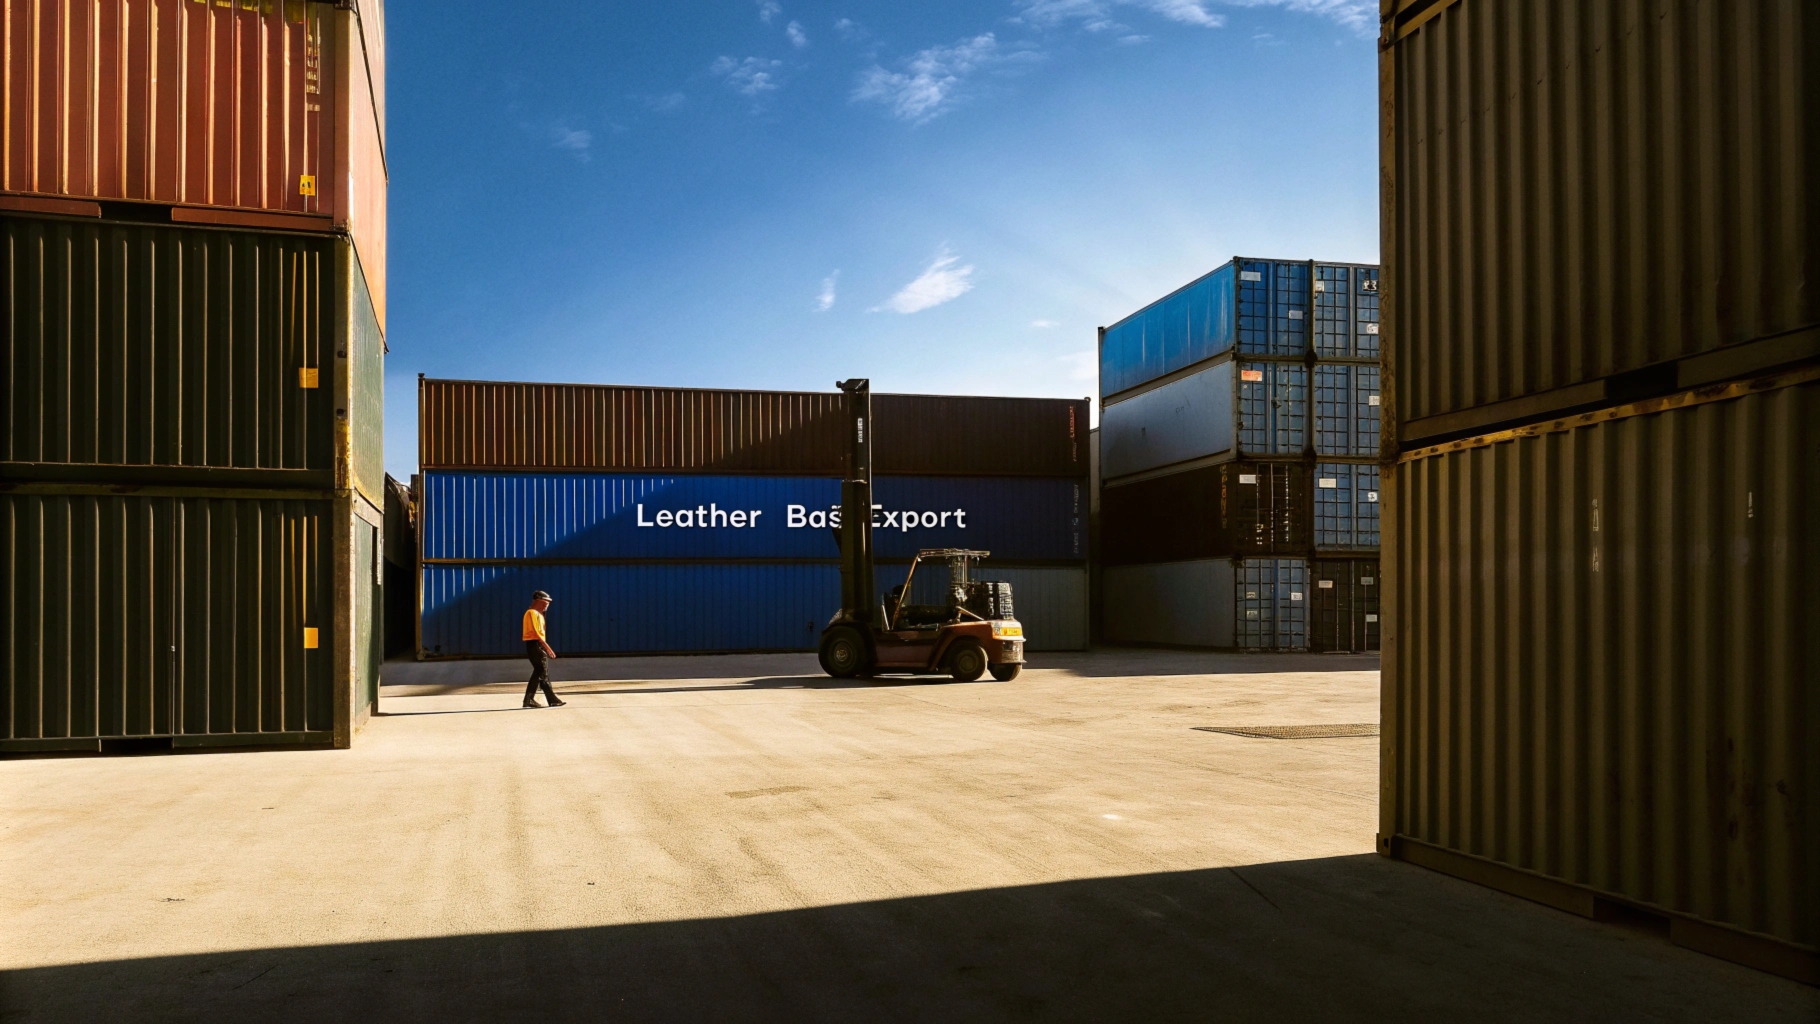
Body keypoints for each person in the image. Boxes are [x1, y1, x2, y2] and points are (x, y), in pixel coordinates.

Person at [522, 591, 565, 708]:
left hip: (537, 644)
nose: (547, 605)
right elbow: (536, 633)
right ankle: (550, 699)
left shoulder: (539, 615)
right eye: (545, 602)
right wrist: (547, 648)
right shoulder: (532, 613)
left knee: (539, 672)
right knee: (542, 672)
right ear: (538, 601)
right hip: (535, 644)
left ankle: (530, 699)